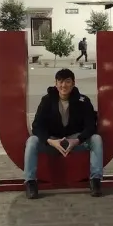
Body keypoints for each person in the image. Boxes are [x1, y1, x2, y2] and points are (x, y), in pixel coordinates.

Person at [24, 68, 103, 200]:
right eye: (60, 82)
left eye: (67, 81)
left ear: (73, 83)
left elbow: (91, 127)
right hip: (53, 142)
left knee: (96, 139)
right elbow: (37, 126)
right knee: (32, 141)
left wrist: (77, 140)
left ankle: (95, 180)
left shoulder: (83, 101)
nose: (63, 85)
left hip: (75, 141)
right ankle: (30, 182)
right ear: (55, 83)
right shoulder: (47, 100)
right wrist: (50, 141)